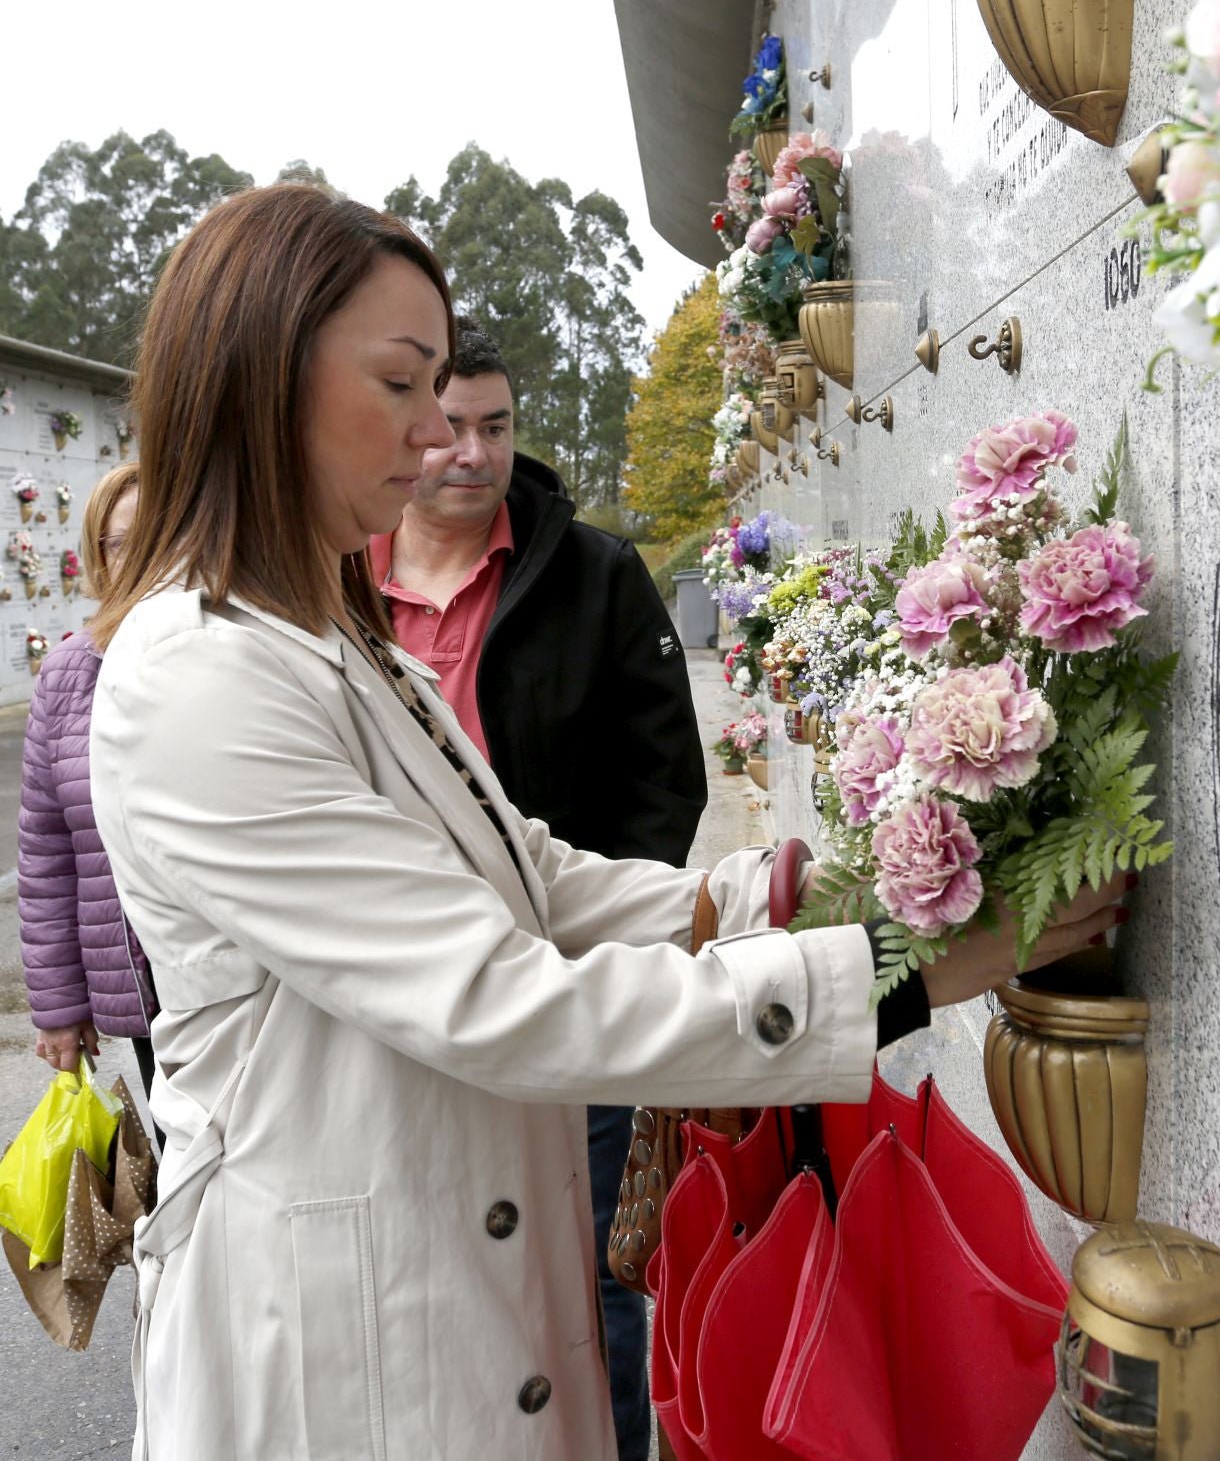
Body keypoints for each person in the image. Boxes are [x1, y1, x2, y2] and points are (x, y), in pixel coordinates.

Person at [88, 183, 1119, 1461]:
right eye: (401, 384)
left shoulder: (343, 647)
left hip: (457, 1276)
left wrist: (809, 895)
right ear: (262, 376)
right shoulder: (200, 674)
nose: (434, 434)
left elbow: (540, 879)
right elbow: (500, 994)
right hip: (336, 1342)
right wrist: (895, 978)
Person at [370, 314, 702, 1461]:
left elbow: (667, 781)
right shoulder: (330, 584)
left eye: (495, 426)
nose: (469, 451)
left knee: (594, 1262)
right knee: (430, 1262)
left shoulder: (595, 574)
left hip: (570, 983)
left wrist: (616, 942)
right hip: (395, 995)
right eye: (449, 425)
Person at [18, 462, 158, 1095]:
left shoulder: (238, 646)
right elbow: (46, 852)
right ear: (98, 555)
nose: (144, 555)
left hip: (249, 990)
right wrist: (59, 1006)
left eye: (160, 532)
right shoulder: (69, 672)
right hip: (143, 990)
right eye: (121, 540)